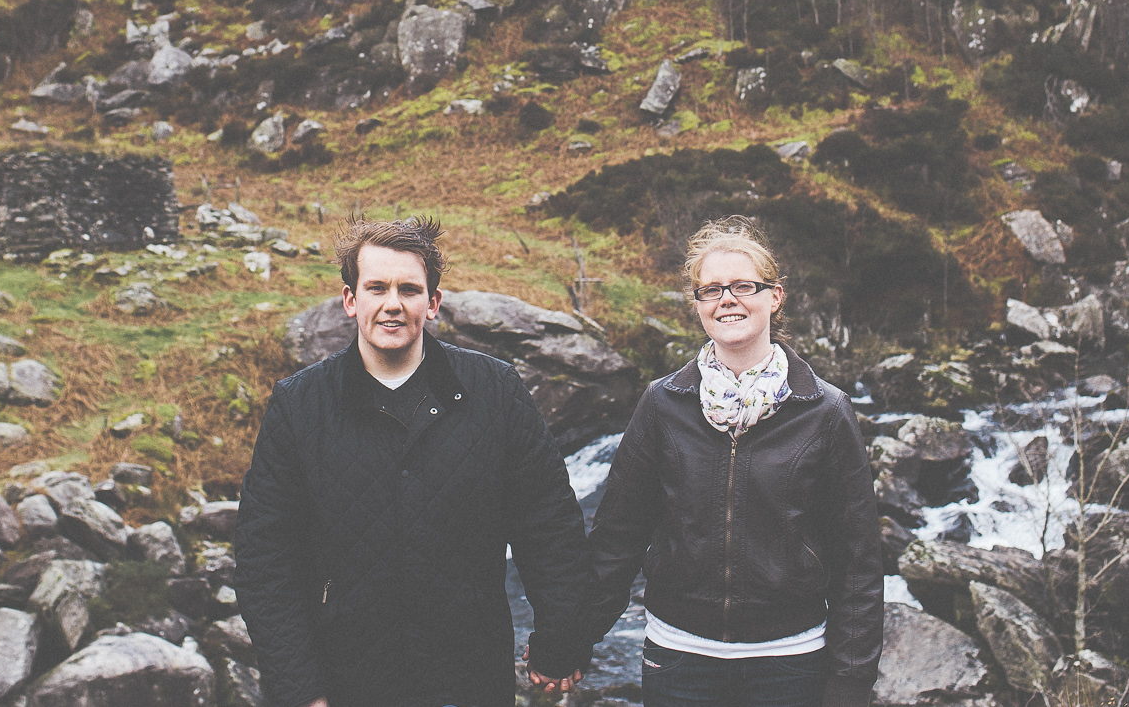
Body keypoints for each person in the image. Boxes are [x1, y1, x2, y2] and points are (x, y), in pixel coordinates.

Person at [232, 216, 595, 707]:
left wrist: (561, 637)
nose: (392, 304)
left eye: (409, 289)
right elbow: (266, 558)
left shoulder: (496, 390)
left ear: (433, 302)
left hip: (469, 678)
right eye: (376, 287)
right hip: (348, 681)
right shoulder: (300, 405)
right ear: (350, 300)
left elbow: (548, 524)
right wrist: (299, 688)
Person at [582, 217, 883, 707]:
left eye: (743, 286)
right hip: (679, 658)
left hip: (791, 662)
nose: (727, 299)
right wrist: (570, 642)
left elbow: (859, 563)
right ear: (698, 304)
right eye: (711, 289)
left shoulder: (826, 411)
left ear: (775, 296)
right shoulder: (662, 403)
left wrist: (851, 682)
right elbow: (618, 536)